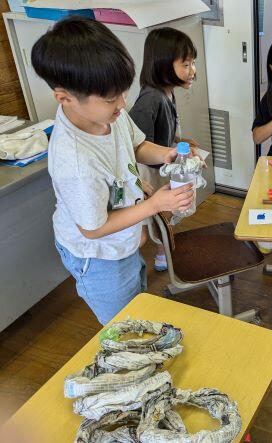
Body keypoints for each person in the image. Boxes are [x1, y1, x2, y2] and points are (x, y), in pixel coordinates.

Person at [31, 17, 195, 325]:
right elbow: (93, 229)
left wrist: (167, 154)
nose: (122, 104)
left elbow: (137, 145)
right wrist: (154, 205)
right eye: (111, 99)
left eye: (123, 92)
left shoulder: (110, 114)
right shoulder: (75, 161)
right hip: (98, 257)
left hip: (122, 243)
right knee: (125, 327)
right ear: (65, 98)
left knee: (138, 304)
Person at [130, 27, 201, 272]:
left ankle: (163, 253)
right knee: (155, 221)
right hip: (150, 172)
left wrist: (182, 142)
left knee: (167, 214)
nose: (193, 71)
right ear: (162, 65)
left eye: (193, 63)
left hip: (162, 165)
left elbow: (166, 131)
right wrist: (174, 152)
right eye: (186, 64)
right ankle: (161, 256)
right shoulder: (151, 99)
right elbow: (138, 146)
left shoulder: (167, 93)